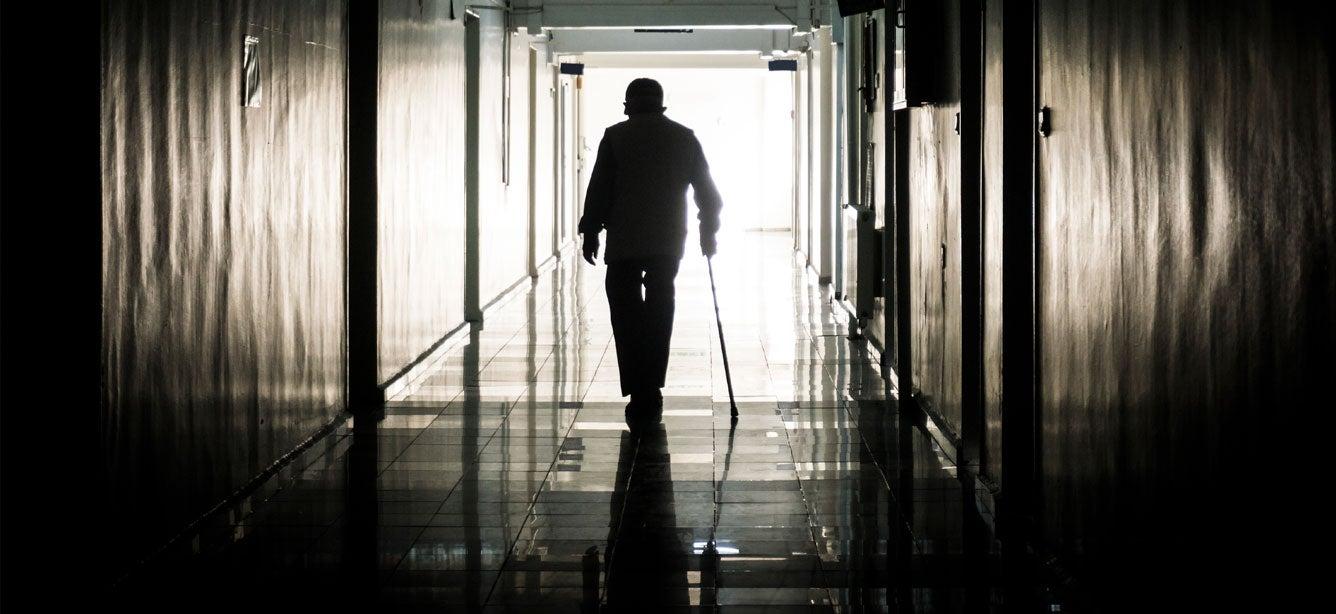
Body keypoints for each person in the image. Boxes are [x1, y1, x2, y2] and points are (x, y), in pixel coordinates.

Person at [579, 77, 723, 419]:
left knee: (625, 313)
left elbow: (599, 189)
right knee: (660, 309)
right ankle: (653, 385)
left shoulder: (615, 136)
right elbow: (708, 194)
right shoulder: (684, 137)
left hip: (624, 240)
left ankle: (638, 388)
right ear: (661, 106)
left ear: (627, 106)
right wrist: (708, 232)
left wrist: (591, 232)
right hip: (667, 239)